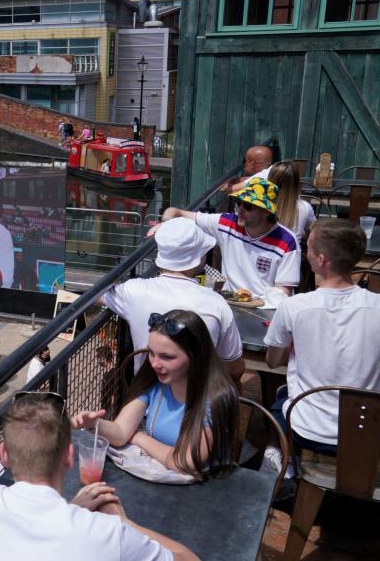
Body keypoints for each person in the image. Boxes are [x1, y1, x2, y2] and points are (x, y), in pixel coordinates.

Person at [0, 392, 195, 560]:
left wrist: (71, 508)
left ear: (4, 455)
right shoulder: (105, 535)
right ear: (69, 456)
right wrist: (124, 524)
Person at [73, 310, 239, 478]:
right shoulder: (154, 382)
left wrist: (139, 438)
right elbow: (121, 432)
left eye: (167, 357)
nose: (154, 363)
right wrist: (94, 423)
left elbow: (186, 463)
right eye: (151, 353)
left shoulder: (216, 397)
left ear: (195, 356)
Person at [265, 219, 380, 455]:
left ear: (321, 260)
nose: (305, 253)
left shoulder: (294, 307)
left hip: (307, 430)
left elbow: (272, 361)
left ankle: (280, 466)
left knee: (276, 406)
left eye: (309, 248)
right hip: (367, 431)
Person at [104, 217, 244, 379]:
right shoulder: (217, 303)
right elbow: (235, 368)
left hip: (145, 395)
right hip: (196, 398)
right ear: (198, 256)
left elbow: (99, 294)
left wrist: (168, 233)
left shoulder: (132, 290)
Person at [151, 177, 300, 296]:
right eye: (238, 203)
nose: (240, 210)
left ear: (267, 212)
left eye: (248, 206)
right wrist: (165, 224)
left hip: (264, 312)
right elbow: (175, 211)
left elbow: (284, 292)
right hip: (229, 302)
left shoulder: (287, 242)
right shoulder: (227, 222)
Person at [267, 161, 316, 238]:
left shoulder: (259, 204)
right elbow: (313, 232)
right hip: (291, 248)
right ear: (297, 183)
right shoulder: (305, 207)